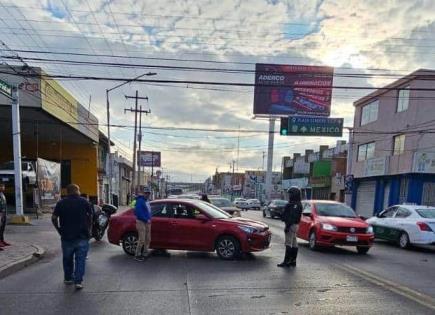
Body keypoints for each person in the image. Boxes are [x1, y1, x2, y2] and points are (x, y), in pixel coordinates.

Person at [51, 184, 93, 290]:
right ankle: (78, 281)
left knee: (67, 259)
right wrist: (89, 228)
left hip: (66, 236)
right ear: (77, 191)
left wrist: (59, 229)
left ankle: (68, 278)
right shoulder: (84, 202)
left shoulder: (61, 203)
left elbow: (54, 218)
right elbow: (91, 215)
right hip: (82, 236)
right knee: (80, 259)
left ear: (67, 192)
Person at [277, 187, 303, 268]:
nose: (289, 195)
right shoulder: (297, 203)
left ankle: (286, 261)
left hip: (291, 225)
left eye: (290, 194)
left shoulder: (294, 204)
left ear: (294, 194)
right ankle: (293, 261)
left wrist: (287, 226)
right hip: (295, 225)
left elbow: (292, 217)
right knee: (294, 243)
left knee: (288, 243)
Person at [134, 186, 152, 261]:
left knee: (148, 239)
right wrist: (146, 219)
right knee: (142, 239)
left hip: (147, 222)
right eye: (146, 193)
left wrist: (150, 218)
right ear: (143, 193)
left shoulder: (146, 201)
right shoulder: (140, 201)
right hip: (141, 222)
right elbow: (138, 212)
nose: (147, 195)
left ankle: (145, 253)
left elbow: (148, 211)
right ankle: (137, 255)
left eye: (148, 193)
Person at [0, 183, 10, 250]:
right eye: (1, 186)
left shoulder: (2, 194)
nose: (3, 187)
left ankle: (2, 240)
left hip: (4, 213)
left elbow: (4, 205)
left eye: (3, 186)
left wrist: (5, 213)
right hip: (0, 213)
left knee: (2, 228)